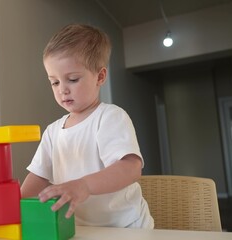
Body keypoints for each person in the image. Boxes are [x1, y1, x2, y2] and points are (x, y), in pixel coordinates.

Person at [20, 23, 154, 228]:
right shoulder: (52, 132)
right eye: (54, 82)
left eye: (72, 79)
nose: (62, 90)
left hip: (126, 228)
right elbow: (39, 175)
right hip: (80, 228)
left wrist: (84, 185)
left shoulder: (110, 118)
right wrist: (15, 203)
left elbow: (131, 168)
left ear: (100, 76)